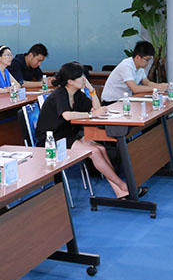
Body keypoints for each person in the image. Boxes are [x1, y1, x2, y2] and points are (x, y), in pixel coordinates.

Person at [35, 62, 136, 199]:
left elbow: (96, 108)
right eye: (80, 77)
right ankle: (123, 186)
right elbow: (67, 115)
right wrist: (91, 115)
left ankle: (120, 191)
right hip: (52, 138)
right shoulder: (60, 94)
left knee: (101, 148)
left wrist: (92, 90)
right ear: (70, 81)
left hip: (67, 134)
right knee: (94, 151)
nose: (84, 79)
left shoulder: (77, 94)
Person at [100, 41, 168, 103]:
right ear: (138, 57)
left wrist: (160, 86)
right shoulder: (126, 66)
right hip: (111, 101)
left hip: (125, 100)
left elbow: (147, 83)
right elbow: (135, 88)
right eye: (147, 60)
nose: (148, 63)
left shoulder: (140, 67)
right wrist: (157, 88)